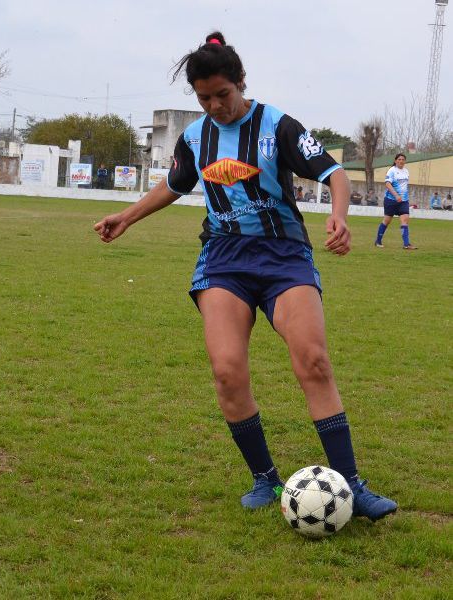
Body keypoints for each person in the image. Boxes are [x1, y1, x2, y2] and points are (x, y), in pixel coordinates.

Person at [94, 31, 396, 521]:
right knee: (228, 370)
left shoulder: (278, 126)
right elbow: (175, 183)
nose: (215, 105)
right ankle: (264, 479)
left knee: (313, 362)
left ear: (241, 83)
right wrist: (127, 216)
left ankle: (352, 486)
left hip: (284, 256)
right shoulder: (195, 137)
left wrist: (339, 216)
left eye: (223, 95)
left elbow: (334, 175)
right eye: (203, 98)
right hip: (224, 259)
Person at [375, 153, 417, 249]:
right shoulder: (392, 170)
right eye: (399, 159)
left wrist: (405, 197)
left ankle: (406, 244)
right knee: (387, 221)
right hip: (391, 200)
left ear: (405, 161)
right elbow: (387, 184)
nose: (401, 161)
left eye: (403, 159)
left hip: (403, 201)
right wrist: (396, 195)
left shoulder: (406, 171)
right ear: (395, 161)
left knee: (405, 220)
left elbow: (404, 186)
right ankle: (378, 241)